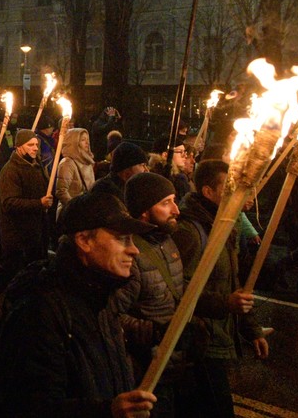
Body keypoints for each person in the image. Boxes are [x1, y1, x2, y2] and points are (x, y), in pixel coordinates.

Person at [0, 192, 158, 417]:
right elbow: (28, 407)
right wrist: (106, 412)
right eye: (122, 238)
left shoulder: (98, 295)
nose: (134, 249)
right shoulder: (40, 309)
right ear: (84, 241)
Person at [174, 159, 269, 417]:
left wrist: (252, 329)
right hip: (200, 342)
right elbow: (177, 290)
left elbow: (234, 283)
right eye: (228, 187)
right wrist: (224, 304)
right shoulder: (190, 231)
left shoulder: (226, 225)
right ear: (208, 192)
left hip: (220, 336)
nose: (237, 192)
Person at [117, 172, 204, 414]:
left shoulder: (167, 242)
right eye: (166, 203)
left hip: (175, 366)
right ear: (144, 210)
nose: (176, 209)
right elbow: (112, 317)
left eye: (174, 200)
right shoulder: (131, 256)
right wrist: (154, 332)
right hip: (147, 369)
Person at [0, 129, 52, 321]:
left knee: (31, 272)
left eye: (36, 145)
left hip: (34, 230)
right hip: (17, 232)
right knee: (7, 271)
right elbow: (9, 202)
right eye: (30, 145)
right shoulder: (11, 171)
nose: (35, 148)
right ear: (19, 147)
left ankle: (22, 310)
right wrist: (39, 203)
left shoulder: (35, 166)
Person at [54, 127, 96, 217]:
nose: (87, 143)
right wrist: (75, 208)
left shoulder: (87, 161)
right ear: (74, 142)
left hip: (85, 211)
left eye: (87, 139)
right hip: (71, 214)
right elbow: (61, 191)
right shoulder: (67, 163)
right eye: (83, 140)